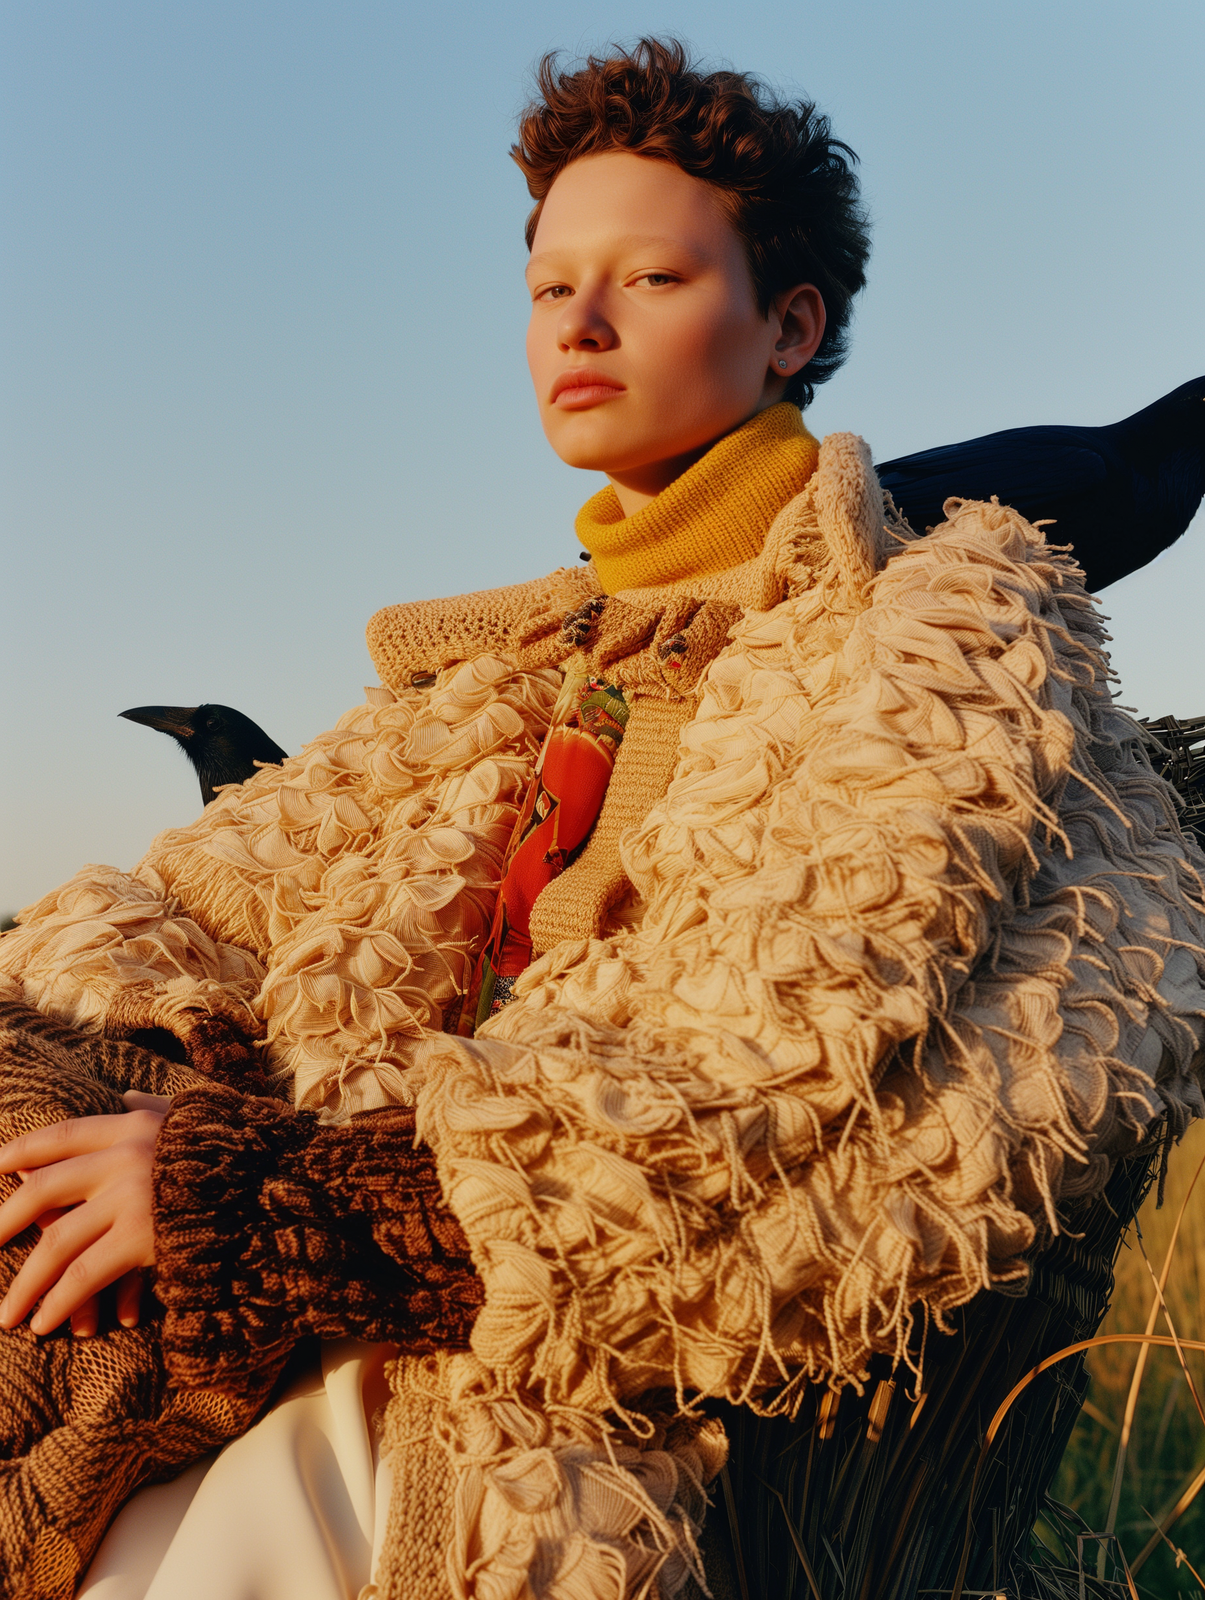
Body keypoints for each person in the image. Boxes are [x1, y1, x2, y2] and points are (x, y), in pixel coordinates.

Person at [1, 36, 1203, 1600]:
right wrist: (135, 1094)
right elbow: (176, 921)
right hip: (270, 1309)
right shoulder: (474, 687)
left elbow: (856, 1118)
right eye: (546, 283)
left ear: (788, 324)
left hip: (531, 1381)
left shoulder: (938, 662)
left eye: (646, 278)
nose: (576, 323)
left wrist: (278, 1199)